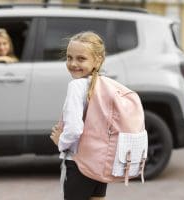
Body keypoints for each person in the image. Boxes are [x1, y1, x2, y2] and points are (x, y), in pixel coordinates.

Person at [50, 31, 107, 200]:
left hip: (79, 163)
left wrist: (60, 141)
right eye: (69, 57)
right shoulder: (104, 84)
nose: (73, 63)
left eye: (81, 59)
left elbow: (74, 129)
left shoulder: (76, 86)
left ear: (98, 60)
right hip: (99, 162)